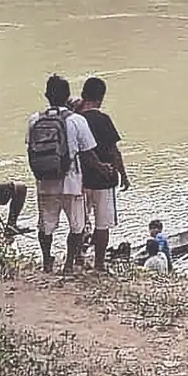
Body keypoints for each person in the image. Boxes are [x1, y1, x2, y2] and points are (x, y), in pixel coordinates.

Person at [27, 75, 107, 274]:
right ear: (68, 96)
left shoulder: (34, 119)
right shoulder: (76, 120)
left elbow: (31, 148)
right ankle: (69, 265)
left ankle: (47, 262)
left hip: (44, 181)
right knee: (77, 226)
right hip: (71, 181)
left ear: (46, 95)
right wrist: (103, 168)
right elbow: (87, 153)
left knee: (45, 225)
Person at [75, 77, 130, 271]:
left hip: (79, 180)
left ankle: (78, 259)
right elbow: (114, 151)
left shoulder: (75, 119)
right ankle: (99, 264)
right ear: (101, 97)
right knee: (102, 224)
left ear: (83, 94)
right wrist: (123, 174)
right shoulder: (103, 119)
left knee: (80, 222)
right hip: (103, 180)